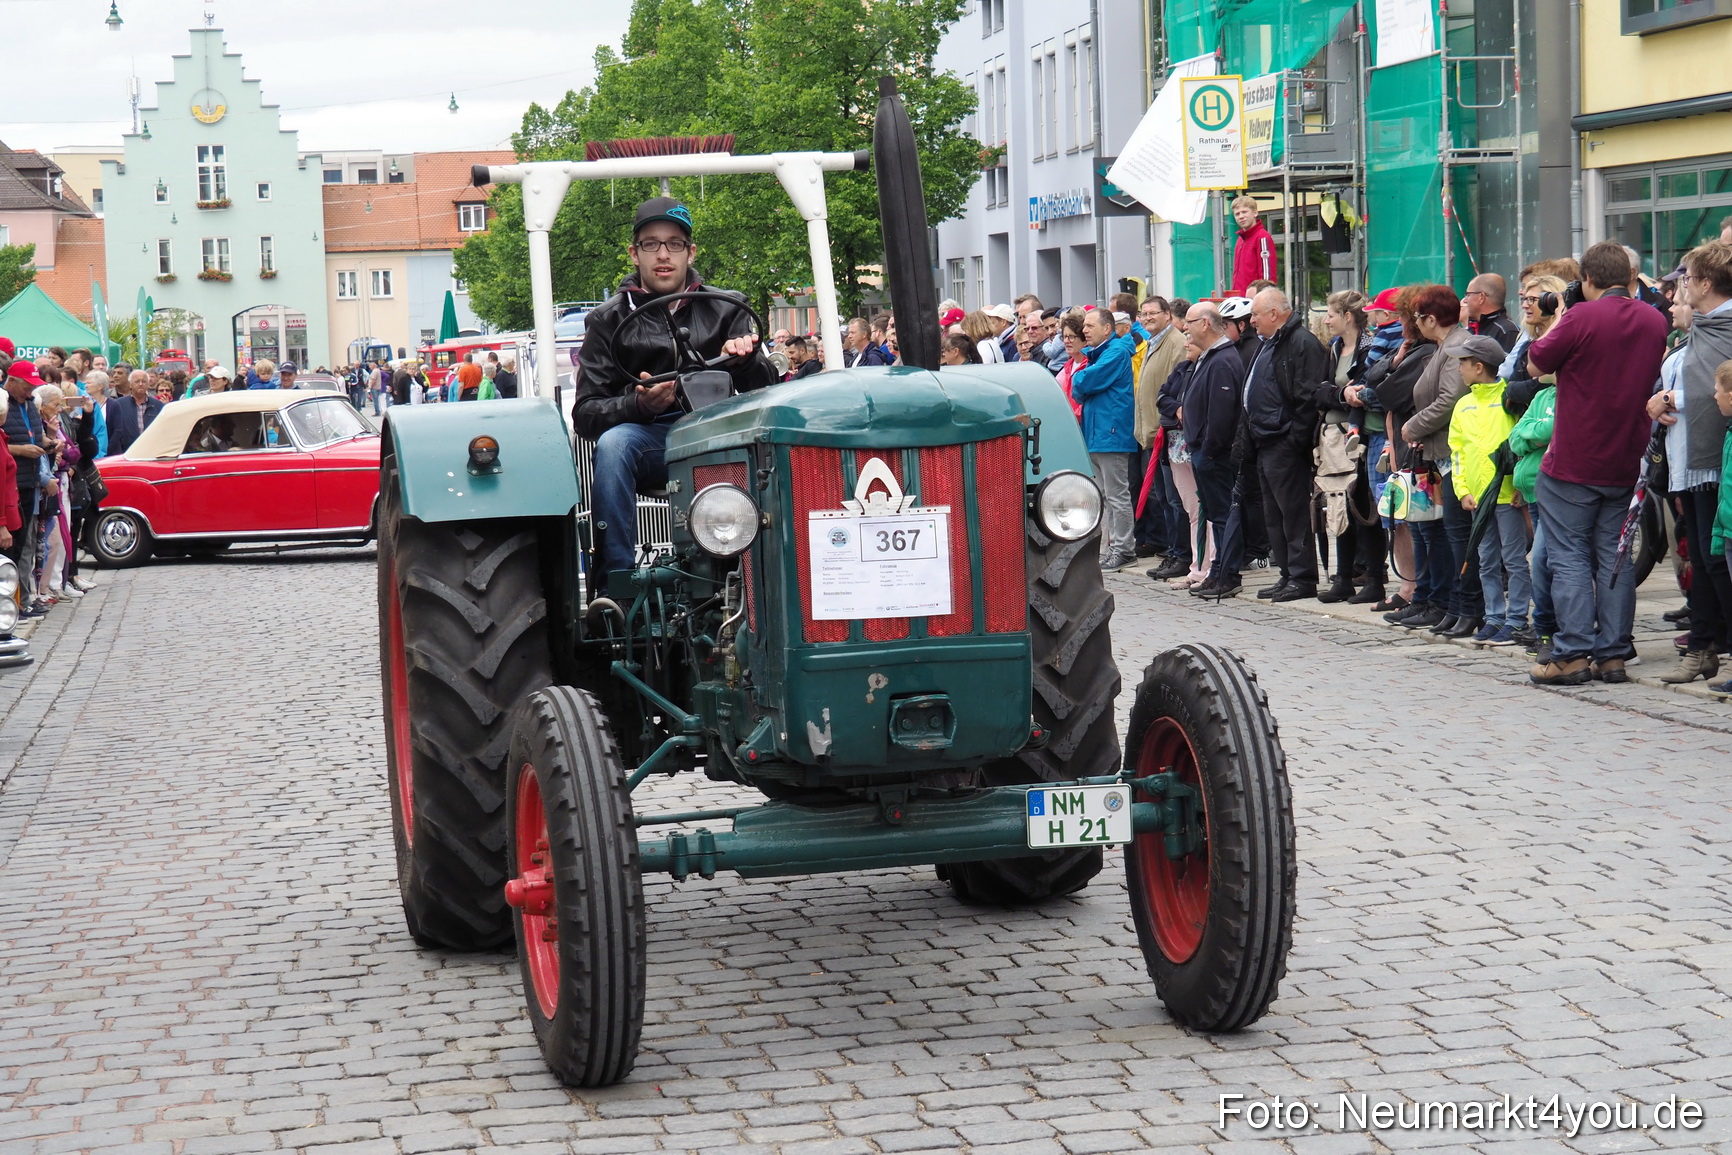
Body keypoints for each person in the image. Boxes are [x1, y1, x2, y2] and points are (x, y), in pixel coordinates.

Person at [573, 196, 773, 573]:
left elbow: (766, 390)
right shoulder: (607, 320)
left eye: (674, 244)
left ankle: (764, 578)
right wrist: (639, 406)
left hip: (720, 436)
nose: (663, 254)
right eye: (651, 244)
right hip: (650, 442)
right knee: (615, 445)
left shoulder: (728, 307)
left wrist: (745, 362)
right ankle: (617, 584)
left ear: (690, 252)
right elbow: (585, 414)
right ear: (634, 253)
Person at [1525, 241, 1670, 685]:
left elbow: (1534, 363)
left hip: (1574, 457)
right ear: (1628, 279)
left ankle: (1571, 653)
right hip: (1626, 456)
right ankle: (1613, 653)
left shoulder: (1581, 316)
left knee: (1568, 557)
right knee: (1616, 556)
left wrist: (1566, 314)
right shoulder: (1654, 319)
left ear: (1586, 280)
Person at [1650, 241, 1732, 684]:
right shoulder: (1702, 326)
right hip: (1691, 461)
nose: (1681, 287)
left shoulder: (1726, 325)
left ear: (1704, 282)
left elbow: (1718, 388)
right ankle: (1702, 647)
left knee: (1716, 559)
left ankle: (1714, 643)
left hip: (1717, 462)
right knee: (1701, 558)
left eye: (1686, 278)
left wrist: (1668, 398)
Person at [1245, 288, 1329, 601]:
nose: (1251, 320)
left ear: (1274, 314)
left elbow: (1307, 396)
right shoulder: (1270, 343)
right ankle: (1287, 575)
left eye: (1255, 314)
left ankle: (1303, 578)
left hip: (1285, 442)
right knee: (1275, 514)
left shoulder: (1300, 342)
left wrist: (1295, 438)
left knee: (1293, 513)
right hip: (1266, 439)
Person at [1448, 335, 1528, 646]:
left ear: (1479, 367)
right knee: (1486, 559)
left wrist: (1518, 483)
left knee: (1514, 559)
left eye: (1462, 364)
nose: (1459, 370)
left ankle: (1517, 618)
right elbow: (1457, 452)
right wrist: (1462, 489)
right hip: (1478, 499)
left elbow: (1521, 446)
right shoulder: (1463, 405)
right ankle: (1494, 617)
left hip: (1507, 496)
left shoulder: (1509, 398)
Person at [1312, 290, 1378, 604]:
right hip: (1334, 438)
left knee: (1361, 506)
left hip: (1359, 436)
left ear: (1347, 316)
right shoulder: (1335, 348)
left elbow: (1365, 390)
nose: (1327, 320)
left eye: (1331, 314)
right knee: (1338, 503)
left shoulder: (1369, 348)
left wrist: (1340, 394)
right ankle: (1344, 577)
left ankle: (1374, 577)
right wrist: (1340, 395)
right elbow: (1321, 390)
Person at [1180, 302, 1246, 598]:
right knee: (1216, 516)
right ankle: (1218, 569)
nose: (1185, 327)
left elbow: (1221, 413)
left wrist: (1208, 450)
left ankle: (1227, 573)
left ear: (1205, 324)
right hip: (1204, 450)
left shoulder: (1222, 359)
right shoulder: (1211, 357)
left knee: (1222, 515)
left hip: (1214, 453)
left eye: (1190, 322)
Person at [1068, 307, 1140, 569]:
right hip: (1098, 433)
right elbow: (1080, 385)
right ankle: (1109, 548)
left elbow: (1084, 381)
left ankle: (1124, 549)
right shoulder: (1100, 354)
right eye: (1084, 326)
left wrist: (1080, 382)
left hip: (1111, 433)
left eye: (1089, 325)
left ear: (1107, 328)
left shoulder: (1116, 351)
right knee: (1102, 495)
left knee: (1116, 494)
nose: (1084, 330)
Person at [1135, 296, 1186, 568]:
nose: (1147, 318)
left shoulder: (1175, 343)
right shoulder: (1152, 343)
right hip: (1152, 434)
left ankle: (1180, 554)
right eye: (1144, 314)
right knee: (1164, 498)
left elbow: (1173, 390)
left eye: (1153, 313)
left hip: (1167, 434)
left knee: (1174, 498)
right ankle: (1172, 550)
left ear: (1167, 315)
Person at [3, 362, 45, 611]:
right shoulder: (3, 403)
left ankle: (20, 602)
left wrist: (47, 441)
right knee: (12, 547)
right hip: (12, 485)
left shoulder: (28, 404)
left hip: (29, 482)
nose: (30, 392)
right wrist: (21, 450)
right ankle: (12, 605)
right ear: (12, 381)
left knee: (23, 547)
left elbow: (32, 434)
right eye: (27, 386)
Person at [105, 369, 164, 456]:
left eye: (144, 381)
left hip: (152, 454)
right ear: (130, 385)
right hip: (126, 454)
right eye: (137, 381)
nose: (141, 384)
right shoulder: (118, 405)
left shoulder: (158, 406)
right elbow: (112, 431)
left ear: (148, 384)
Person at [1231, 196, 1277, 296]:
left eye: (1244, 212)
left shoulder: (1262, 237)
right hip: (1239, 300)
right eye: (1237, 214)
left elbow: (1267, 277)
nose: (1241, 216)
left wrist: (1263, 300)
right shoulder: (1240, 239)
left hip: (1254, 301)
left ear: (1255, 213)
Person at [1464, 274, 1520, 352]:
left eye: (1468, 295)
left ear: (1481, 297)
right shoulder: (1472, 328)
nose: (1465, 300)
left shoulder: (1506, 331)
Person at [1053, 314, 1086, 419]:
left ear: (1084, 340)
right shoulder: (1067, 367)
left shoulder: (1090, 366)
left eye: (1071, 337)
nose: (1066, 341)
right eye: (1065, 337)